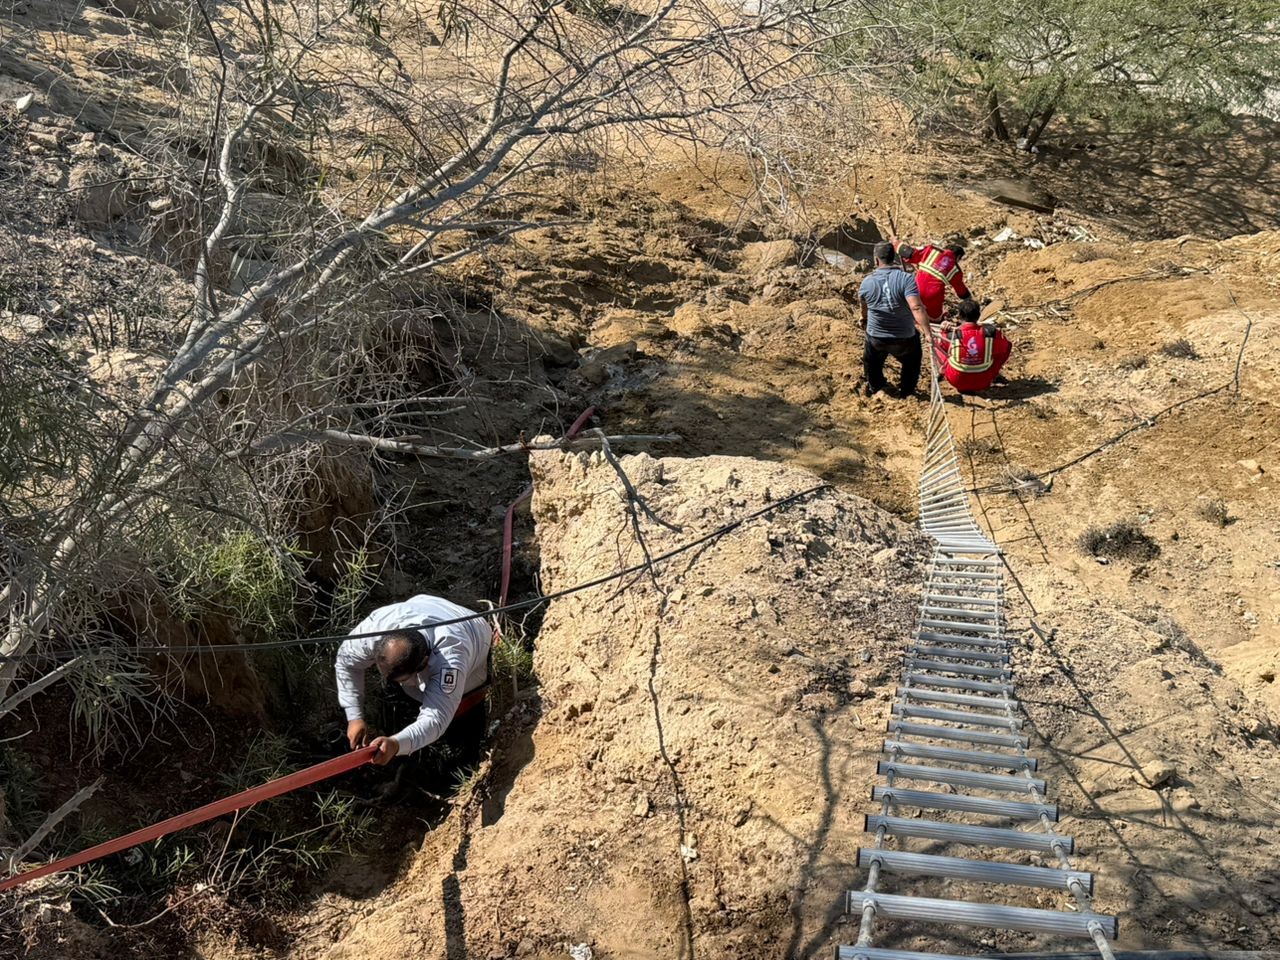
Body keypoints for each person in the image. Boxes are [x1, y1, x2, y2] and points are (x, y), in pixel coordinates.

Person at [336, 594, 492, 766]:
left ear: (424, 663)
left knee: (463, 713)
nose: (400, 683)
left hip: (474, 635)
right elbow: (346, 662)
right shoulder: (373, 631)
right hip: (427, 606)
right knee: (401, 695)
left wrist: (396, 743)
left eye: (404, 679)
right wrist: (354, 717)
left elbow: (437, 718)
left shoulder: (451, 659)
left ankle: (468, 757)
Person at [858, 240, 934, 398]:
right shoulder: (906, 279)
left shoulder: (866, 282)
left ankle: (876, 386)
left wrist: (863, 319)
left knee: (870, 360)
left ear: (876, 260)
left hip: (877, 337)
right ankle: (907, 390)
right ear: (894, 258)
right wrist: (928, 333)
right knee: (912, 360)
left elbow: (864, 308)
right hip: (904, 338)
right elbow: (916, 307)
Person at [934, 299, 1012, 394]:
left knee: (936, 344)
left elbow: (940, 344)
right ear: (978, 315)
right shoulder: (990, 332)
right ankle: (994, 373)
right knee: (1006, 345)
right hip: (984, 381)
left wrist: (943, 330)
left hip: (957, 380)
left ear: (959, 316)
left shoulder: (952, 334)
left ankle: (943, 370)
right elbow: (1005, 346)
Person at [894, 236, 972, 323]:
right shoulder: (956, 270)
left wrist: (896, 244)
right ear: (958, 257)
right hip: (934, 295)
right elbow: (961, 291)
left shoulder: (931, 250)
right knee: (936, 317)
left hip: (916, 288)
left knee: (910, 306)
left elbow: (908, 252)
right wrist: (969, 299)